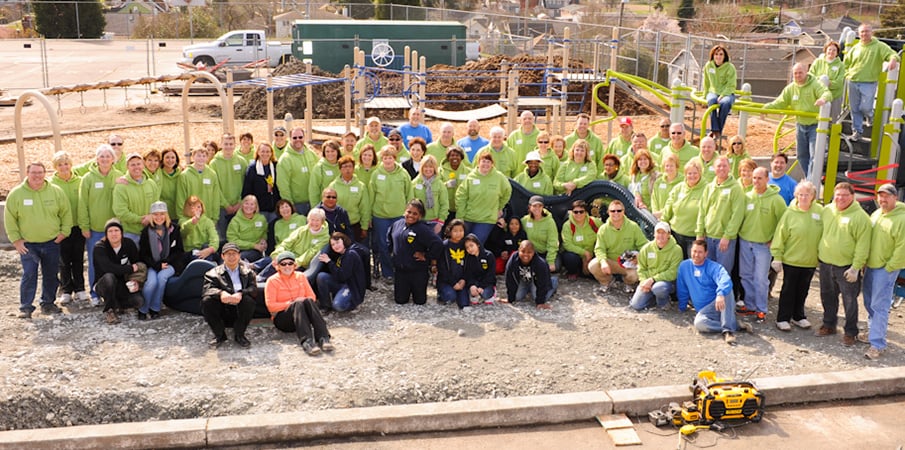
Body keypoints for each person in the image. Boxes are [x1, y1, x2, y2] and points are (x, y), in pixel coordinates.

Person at [5, 162, 72, 319]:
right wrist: (16, 241)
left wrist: (64, 232)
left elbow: (66, 213)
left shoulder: (55, 192)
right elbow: (10, 219)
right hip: (28, 244)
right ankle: (26, 307)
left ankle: (48, 303)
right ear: (27, 173)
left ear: (45, 173)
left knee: (51, 274)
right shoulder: (16, 194)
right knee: (29, 274)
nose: (37, 176)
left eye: (40, 172)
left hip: (51, 242)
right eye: (34, 172)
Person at [816, 182, 872, 346]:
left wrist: (856, 268)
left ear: (852, 197)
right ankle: (829, 325)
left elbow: (863, 245)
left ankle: (850, 332)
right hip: (826, 264)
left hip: (846, 268)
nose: (840, 198)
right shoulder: (827, 210)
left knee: (850, 301)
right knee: (827, 296)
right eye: (837, 195)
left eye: (844, 195)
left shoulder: (861, 217)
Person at [735, 168, 786, 323]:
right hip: (746, 242)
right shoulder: (747, 197)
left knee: (760, 278)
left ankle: (761, 309)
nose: (756, 181)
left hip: (763, 246)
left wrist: (775, 240)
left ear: (767, 179)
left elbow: (783, 224)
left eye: (760, 178)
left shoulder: (776, 200)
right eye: (754, 178)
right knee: (746, 275)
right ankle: (750, 305)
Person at [677, 240, 752, 345]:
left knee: (727, 289)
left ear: (706, 253)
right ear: (690, 251)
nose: (696, 255)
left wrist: (720, 294)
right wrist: (682, 306)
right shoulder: (684, 266)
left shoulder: (714, 267)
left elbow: (725, 279)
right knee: (699, 324)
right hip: (704, 311)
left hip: (720, 305)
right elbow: (682, 288)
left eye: (700, 252)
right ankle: (735, 325)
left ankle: (728, 331)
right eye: (694, 251)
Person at [763, 63, 831, 178]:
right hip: (800, 125)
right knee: (801, 155)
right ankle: (809, 178)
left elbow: (827, 92)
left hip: (815, 126)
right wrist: (766, 108)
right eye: (795, 73)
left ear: (806, 72)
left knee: (815, 156)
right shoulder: (791, 88)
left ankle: (811, 181)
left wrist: (823, 99)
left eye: (800, 73)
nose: (798, 75)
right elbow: (780, 102)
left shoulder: (814, 84)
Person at [860, 184, 905, 359]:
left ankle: (877, 344)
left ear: (895, 198)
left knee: (879, 305)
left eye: (887, 196)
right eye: (880, 196)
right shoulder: (877, 214)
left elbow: (902, 247)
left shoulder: (901, 219)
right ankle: (872, 332)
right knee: (869, 301)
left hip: (885, 269)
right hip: (871, 265)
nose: (883, 200)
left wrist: (890, 267)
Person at [771, 181, 823, 332]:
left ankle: (798, 316)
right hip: (791, 260)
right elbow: (780, 235)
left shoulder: (820, 211)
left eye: (807, 194)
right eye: (801, 194)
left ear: (813, 196)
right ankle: (783, 318)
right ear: (796, 196)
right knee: (788, 289)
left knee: (803, 290)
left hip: (810, 260)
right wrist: (777, 256)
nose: (804, 197)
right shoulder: (789, 213)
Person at [265, 250, 333, 355]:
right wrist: (291, 303)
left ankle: (323, 338)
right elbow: (271, 306)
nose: (287, 266)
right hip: (284, 319)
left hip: (303, 317)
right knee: (298, 303)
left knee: (307, 300)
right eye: (283, 264)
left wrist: (301, 300)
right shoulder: (272, 281)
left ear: (294, 265)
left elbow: (312, 296)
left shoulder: (301, 276)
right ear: (278, 266)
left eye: (290, 263)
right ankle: (308, 342)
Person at [845, 23, 899, 141]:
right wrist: (846, 74)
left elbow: (892, 54)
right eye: (862, 32)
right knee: (854, 108)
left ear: (872, 32)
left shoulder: (879, 46)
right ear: (859, 34)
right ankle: (857, 131)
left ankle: (870, 116)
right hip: (853, 81)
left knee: (865, 107)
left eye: (867, 31)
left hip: (868, 82)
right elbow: (846, 63)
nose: (864, 34)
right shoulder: (856, 47)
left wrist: (893, 59)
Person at [388, 199, 444, 305]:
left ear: (420, 216)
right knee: (400, 301)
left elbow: (438, 244)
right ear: (405, 211)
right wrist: (392, 253)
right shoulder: (397, 224)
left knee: (420, 301)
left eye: (415, 214)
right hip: (401, 271)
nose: (411, 215)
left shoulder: (423, 229)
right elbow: (389, 238)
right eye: (409, 212)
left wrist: (427, 256)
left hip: (418, 271)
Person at [201, 242, 257, 349]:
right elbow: (207, 289)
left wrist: (241, 293)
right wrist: (221, 293)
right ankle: (220, 335)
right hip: (222, 308)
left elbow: (253, 289)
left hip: (239, 309)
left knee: (249, 301)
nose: (231, 257)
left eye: (234, 253)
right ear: (222, 256)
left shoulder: (248, 272)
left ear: (239, 255)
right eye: (228, 254)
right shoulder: (212, 273)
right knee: (207, 301)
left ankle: (239, 334)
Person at [370, 145, 413, 281]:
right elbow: (371, 196)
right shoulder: (376, 174)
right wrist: (369, 215)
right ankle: (388, 272)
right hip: (380, 215)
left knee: (399, 244)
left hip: (399, 215)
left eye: (390, 158)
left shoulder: (403, 174)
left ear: (395, 158)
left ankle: (400, 270)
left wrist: (409, 213)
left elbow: (409, 193)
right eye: (385, 158)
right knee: (383, 244)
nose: (388, 160)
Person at [695, 156, 745, 273]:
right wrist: (699, 233)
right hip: (708, 237)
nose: (721, 168)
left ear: (729, 168)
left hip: (724, 240)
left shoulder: (735, 189)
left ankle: (723, 292)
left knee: (722, 273)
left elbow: (737, 215)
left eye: (724, 166)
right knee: (707, 272)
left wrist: (727, 236)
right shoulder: (709, 187)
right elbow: (702, 211)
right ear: (714, 168)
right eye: (718, 166)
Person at [50, 151, 87, 306]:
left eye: (66, 163)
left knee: (78, 259)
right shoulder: (51, 184)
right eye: (60, 165)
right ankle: (66, 290)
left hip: (78, 226)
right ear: (55, 167)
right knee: (63, 261)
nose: (64, 167)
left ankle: (80, 288)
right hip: (61, 228)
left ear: (71, 165)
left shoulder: (80, 181)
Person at [588, 199, 648, 293]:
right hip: (611, 261)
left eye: (619, 210)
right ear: (608, 212)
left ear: (624, 211)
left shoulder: (633, 227)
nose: (616, 213)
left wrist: (639, 257)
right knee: (593, 265)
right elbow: (599, 249)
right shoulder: (603, 229)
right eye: (613, 211)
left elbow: (643, 245)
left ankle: (627, 283)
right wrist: (603, 262)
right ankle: (607, 282)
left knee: (635, 275)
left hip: (627, 263)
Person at [137, 201, 184, 320]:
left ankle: (155, 308)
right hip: (153, 264)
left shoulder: (175, 229)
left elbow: (179, 251)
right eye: (155, 214)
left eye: (162, 214)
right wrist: (156, 265)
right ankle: (143, 308)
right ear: (151, 216)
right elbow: (143, 254)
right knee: (151, 282)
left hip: (171, 263)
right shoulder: (146, 232)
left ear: (166, 215)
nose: (159, 217)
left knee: (161, 278)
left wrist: (166, 262)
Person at [93, 219, 144, 325]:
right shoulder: (99, 247)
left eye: (116, 230)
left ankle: (118, 304)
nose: (114, 234)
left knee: (139, 301)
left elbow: (138, 264)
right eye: (110, 231)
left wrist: (136, 281)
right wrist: (130, 268)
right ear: (106, 234)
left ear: (121, 233)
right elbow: (108, 268)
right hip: (103, 283)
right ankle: (110, 310)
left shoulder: (129, 244)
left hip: (122, 282)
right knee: (109, 277)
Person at [455, 152, 512, 244]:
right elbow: (461, 195)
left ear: (492, 164)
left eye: (488, 162)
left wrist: (499, 207)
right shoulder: (471, 177)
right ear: (478, 163)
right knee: (461, 243)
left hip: (487, 219)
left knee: (475, 244)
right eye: (483, 161)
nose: (486, 164)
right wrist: (460, 216)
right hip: (468, 217)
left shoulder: (499, 177)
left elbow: (507, 191)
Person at [269, 207, 330, 286]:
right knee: (273, 262)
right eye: (312, 220)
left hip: (303, 264)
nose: (314, 223)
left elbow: (311, 253)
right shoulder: (301, 230)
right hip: (290, 257)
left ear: (322, 221)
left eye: (317, 220)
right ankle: (259, 280)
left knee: (285, 267)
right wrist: (277, 254)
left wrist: (296, 262)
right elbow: (288, 242)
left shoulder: (325, 238)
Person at [630, 222, 683, 311]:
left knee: (659, 288)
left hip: (666, 282)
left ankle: (663, 302)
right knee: (636, 305)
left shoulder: (676, 250)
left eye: (664, 233)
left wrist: (653, 279)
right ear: (654, 234)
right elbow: (641, 268)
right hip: (648, 281)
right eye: (658, 232)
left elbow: (673, 273)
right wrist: (644, 282)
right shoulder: (646, 248)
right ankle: (653, 299)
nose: (660, 236)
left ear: (669, 234)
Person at [113, 153, 160, 244]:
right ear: (127, 167)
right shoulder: (121, 187)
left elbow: (156, 206)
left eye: (139, 164)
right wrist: (141, 219)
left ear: (143, 165)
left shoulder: (151, 184)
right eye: (132, 165)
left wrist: (151, 217)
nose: (136, 167)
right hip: (130, 234)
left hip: (150, 231)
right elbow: (120, 212)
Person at [661, 160, 705, 258]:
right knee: (676, 263)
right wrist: (663, 223)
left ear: (700, 173)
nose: (692, 176)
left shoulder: (706, 189)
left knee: (693, 265)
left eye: (695, 173)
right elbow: (669, 206)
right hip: (676, 235)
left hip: (694, 237)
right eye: (689, 173)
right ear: (685, 174)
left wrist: (701, 235)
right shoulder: (678, 188)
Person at [315, 232, 366, 313]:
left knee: (338, 306)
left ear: (344, 241)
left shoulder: (350, 254)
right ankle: (326, 305)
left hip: (351, 287)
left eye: (338, 242)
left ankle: (353, 304)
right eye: (333, 244)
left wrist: (329, 262)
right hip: (342, 283)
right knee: (322, 276)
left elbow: (343, 276)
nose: (336, 246)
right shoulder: (340, 255)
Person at [210, 133, 246, 239]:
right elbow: (215, 187)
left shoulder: (241, 161)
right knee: (223, 238)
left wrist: (240, 202)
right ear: (221, 144)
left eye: (231, 144)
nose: (228, 146)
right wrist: (226, 205)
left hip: (239, 206)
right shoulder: (214, 163)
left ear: (235, 145)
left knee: (239, 236)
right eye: (226, 144)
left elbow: (246, 183)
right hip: (222, 208)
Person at [277, 127, 319, 215]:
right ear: (290, 139)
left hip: (314, 201)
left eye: (300, 137)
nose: (298, 140)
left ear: (304, 137)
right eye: (294, 138)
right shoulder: (285, 160)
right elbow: (283, 186)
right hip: (297, 205)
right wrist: (290, 205)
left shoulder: (311, 154)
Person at [504, 240, 557, 310]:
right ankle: (528, 289)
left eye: (529, 252)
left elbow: (542, 283)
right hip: (523, 280)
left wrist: (540, 302)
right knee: (517, 297)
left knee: (537, 297)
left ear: (533, 252)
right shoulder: (513, 260)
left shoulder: (540, 264)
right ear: (518, 250)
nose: (525, 254)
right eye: (523, 251)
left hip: (536, 280)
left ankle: (554, 281)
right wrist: (510, 298)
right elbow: (509, 278)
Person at [329, 155, 370, 242]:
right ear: (340, 169)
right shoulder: (333, 186)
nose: (347, 169)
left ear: (353, 168)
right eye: (344, 166)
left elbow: (365, 208)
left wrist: (364, 227)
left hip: (355, 224)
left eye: (350, 166)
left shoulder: (360, 186)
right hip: (339, 225)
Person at [176, 147, 220, 227]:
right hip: (190, 219)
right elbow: (180, 198)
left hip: (207, 218)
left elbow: (216, 196)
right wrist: (182, 219)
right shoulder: (184, 175)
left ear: (207, 158)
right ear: (193, 157)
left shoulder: (212, 174)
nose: (201, 158)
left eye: (204, 156)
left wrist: (215, 218)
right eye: (198, 156)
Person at [702, 44, 737, 140]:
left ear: (724, 56)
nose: (718, 57)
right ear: (713, 55)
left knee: (725, 103)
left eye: (721, 54)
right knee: (711, 100)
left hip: (727, 92)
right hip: (713, 91)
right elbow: (706, 81)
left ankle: (718, 131)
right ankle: (715, 129)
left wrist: (723, 95)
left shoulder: (730, 68)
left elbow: (731, 85)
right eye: (716, 54)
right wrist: (704, 95)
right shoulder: (709, 65)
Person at [241, 142, 281, 222]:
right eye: (262, 151)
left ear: (271, 153)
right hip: (259, 209)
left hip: (274, 208)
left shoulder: (276, 166)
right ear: (258, 152)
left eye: (267, 152)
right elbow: (247, 189)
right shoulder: (252, 168)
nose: (265, 154)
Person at [560, 200, 599, 279]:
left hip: (592, 254)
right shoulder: (567, 225)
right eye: (576, 212)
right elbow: (567, 245)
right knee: (570, 257)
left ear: (586, 212)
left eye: (581, 211)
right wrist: (585, 253)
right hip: (577, 255)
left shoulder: (594, 222)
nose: (578, 214)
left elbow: (603, 235)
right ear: (571, 212)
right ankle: (573, 272)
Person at [412, 155, 448, 235]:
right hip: (418, 221)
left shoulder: (440, 184)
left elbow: (444, 205)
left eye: (431, 167)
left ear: (434, 169)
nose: (428, 169)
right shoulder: (415, 183)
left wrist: (440, 223)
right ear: (421, 168)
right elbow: (411, 202)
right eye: (425, 167)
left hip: (435, 222)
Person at [226, 195, 269, 263]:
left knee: (240, 258)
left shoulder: (261, 219)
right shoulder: (235, 220)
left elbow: (264, 232)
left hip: (255, 251)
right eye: (246, 203)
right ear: (242, 205)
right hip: (238, 249)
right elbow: (232, 240)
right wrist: (253, 245)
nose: (249, 206)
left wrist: (263, 239)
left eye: (252, 204)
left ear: (256, 207)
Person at [522, 195, 560, 273]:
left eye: (540, 206)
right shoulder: (525, 220)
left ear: (543, 207)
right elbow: (514, 227)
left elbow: (553, 242)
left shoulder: (550, 222)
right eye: (534, 206)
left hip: (547, 252)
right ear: (530, 207)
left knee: (554, 267)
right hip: (532, 252)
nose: (537, 208)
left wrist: (551, 261)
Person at [809, 41, 844, 120]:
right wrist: (821, 82)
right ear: (826, 50)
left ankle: (831, 131)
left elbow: (840, 81)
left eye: (834, 50)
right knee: (817, 118)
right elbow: (811, 75)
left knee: (833, 119)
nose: (831, 52)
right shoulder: (818, 62)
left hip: (834, 95)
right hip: (818, 95)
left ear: (837, 52)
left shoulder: (841, 65)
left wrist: (829, 83)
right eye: (829, 49)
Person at [180, 196, 221, 264]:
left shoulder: (208, 222)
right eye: (193, 207)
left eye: (199, 207)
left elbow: (214, 238)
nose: (197, 209)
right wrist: (193, 222)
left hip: (206, 249)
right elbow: (183, 232)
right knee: (197, 257)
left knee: (209, 253)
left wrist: (210, 249)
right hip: (190, 252)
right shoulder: (183, 220)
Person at [438, 219, 469, 308]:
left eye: (461, 231)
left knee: (464, 303)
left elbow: (469, 265)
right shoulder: (444, 246)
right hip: (446, 280)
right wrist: (453, 283)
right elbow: (442, 268)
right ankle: (441, 294)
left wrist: (463, 280)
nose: (458, 233)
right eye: (455, 231)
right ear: (449, 231)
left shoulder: (466, 245)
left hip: (461, 280)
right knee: (450, 297)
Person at [462, 233, 498, 305]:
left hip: (487, 283)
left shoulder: (489, 255)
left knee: (486, 295)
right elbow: (468, 274)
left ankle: (493, 291)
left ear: (478, 244)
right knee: (473, 298)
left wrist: (482, 286)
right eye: (467, 248)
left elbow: (491, 274)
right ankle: (477, 294)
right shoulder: (468, 258)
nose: (470, 249)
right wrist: (472, 285)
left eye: (471, 245)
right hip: (475, 282)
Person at [441, 146, 471, 225]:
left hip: (463, 209)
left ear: (461, 157)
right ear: (448, 157)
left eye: (457, 155)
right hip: (446, 208)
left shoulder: (468, 172)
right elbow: (436, 186)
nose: (454, 157)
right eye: (452, 155)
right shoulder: (440, 171)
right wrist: (446, 184)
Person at [309, 139, 342, 204]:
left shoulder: (342, 165)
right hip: (325, 205)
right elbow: (314, 190)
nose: (330, 154)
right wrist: (315, 208)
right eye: (327, 151)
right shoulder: (319, 167)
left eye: (332, 151)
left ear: (337, 152)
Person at [650, 153, 682, 219]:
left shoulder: (683, 181)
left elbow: (680, 202)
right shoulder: (659, 181)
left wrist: (662, 213)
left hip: (675, 219)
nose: (669, 168)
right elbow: (654, 199)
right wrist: (656, 214)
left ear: (677, 166)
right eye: (667, 166)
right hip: (658, 219)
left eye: (671, 166)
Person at [157, 148, 182, 216]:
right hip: (162, 214)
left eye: (173, 157)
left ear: (176, 160)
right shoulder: (157, 174)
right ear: (162, 160)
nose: (170, 160)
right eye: (167, 157)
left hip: (178, 213)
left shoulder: (181, 174)